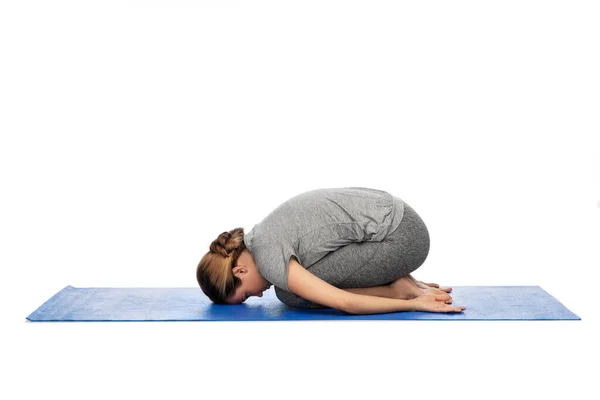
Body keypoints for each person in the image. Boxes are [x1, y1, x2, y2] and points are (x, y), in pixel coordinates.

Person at [196, 187, 466, 315]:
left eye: (245, 294)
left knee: (291, 293)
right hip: (404, 223)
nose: (257, 295)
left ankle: (400, 288)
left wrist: (412, 303)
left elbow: (344, 302)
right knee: (296, 283)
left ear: (239, 269)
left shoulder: (268, 257)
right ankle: (404, 281)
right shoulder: (262, 234)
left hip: (405, 241)